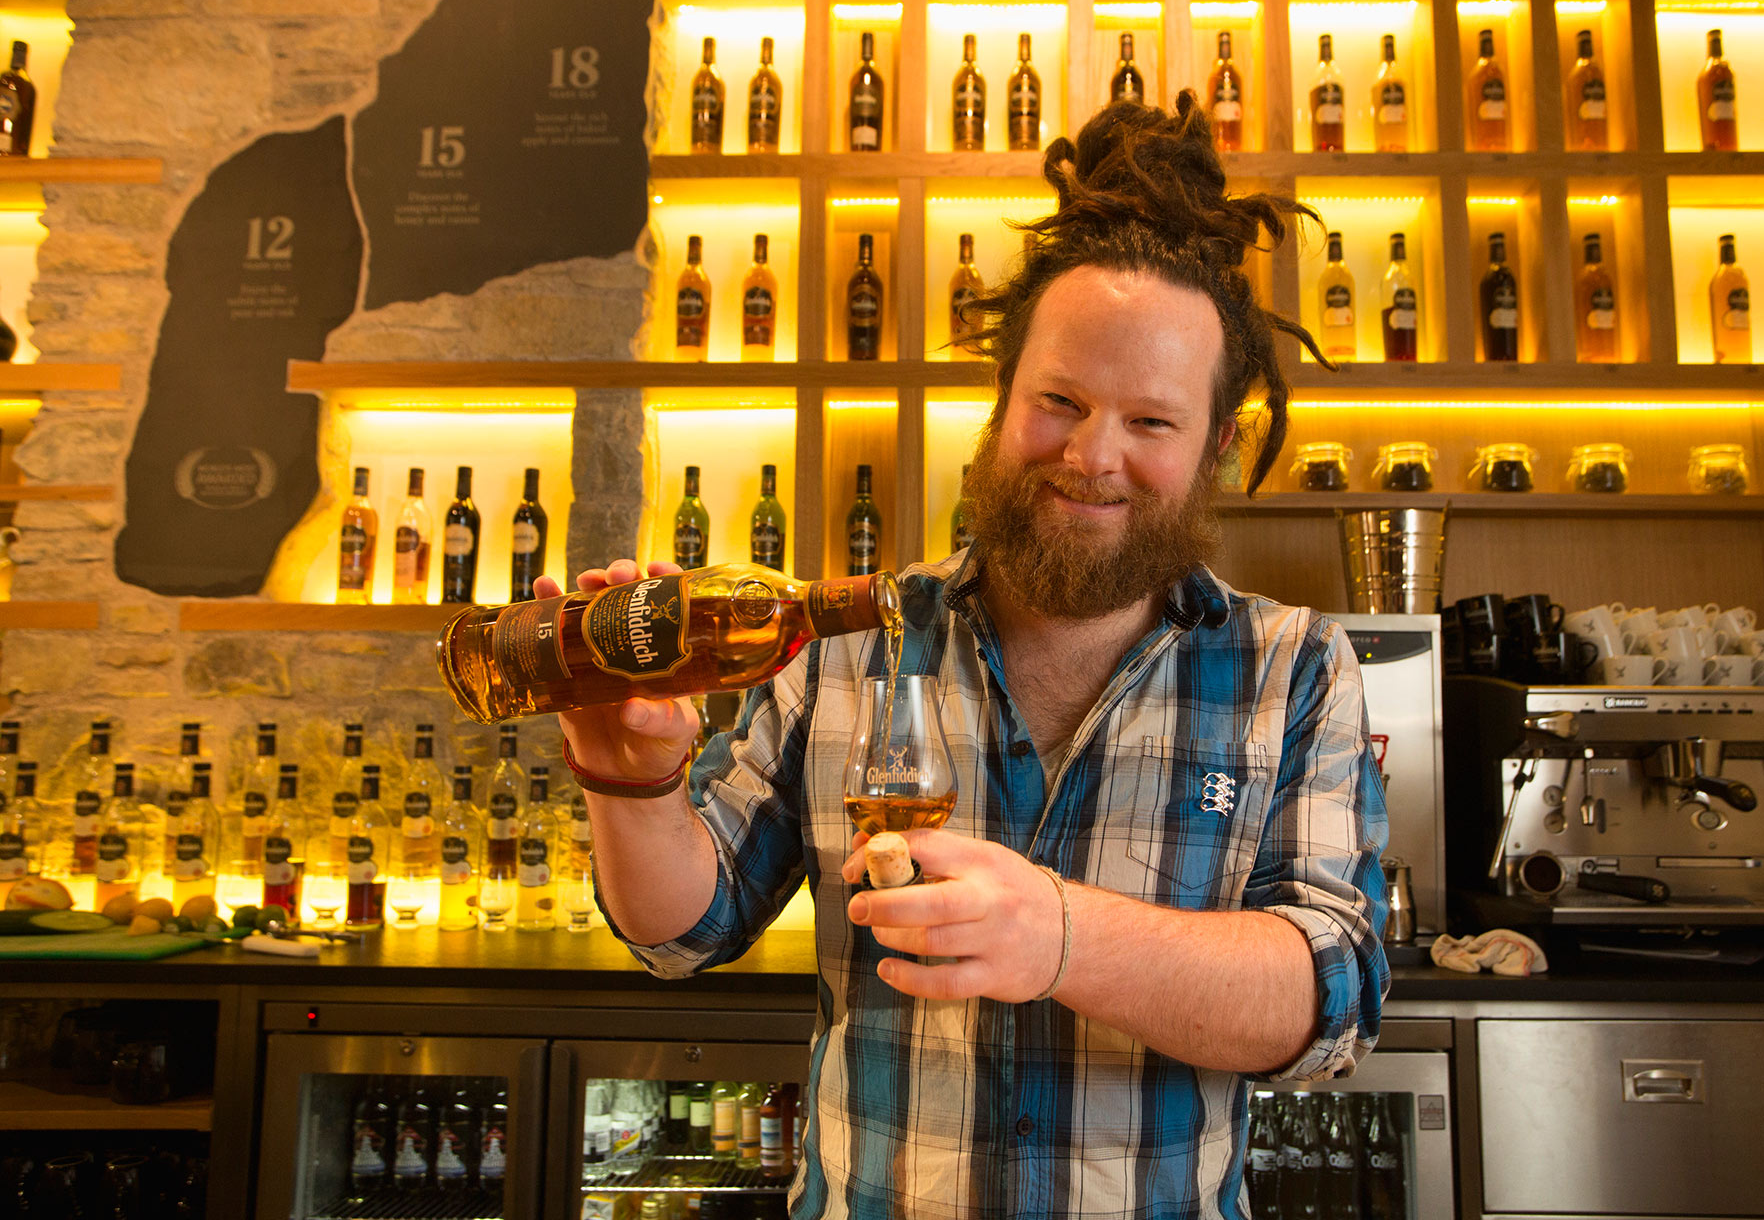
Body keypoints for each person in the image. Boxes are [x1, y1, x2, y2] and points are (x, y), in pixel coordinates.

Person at [549, 92, 1389, 1219]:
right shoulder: (846, 637)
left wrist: (1061, 935)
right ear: (1000, 403)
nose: (1093, 456)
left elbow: (1329, 999)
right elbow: (682, 929)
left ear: (1216, 444)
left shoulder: (1296, 668)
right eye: (1059, 401)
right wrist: (632, 779)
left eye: (1151, 423)